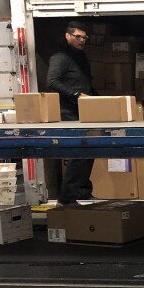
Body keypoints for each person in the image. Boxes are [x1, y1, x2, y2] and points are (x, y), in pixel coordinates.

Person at [48, 21, 97, 206]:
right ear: (68, 36)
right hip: (70, 111)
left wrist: (97, 99)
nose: (81, 40)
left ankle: (82, 192)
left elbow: (85, 82)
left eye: (84, 37)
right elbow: (52, 81)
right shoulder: (60, 57)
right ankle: (67, 197)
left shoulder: (79, 56)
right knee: (80, 153)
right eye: (78, 36)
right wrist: (76, 95)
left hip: (84, 110)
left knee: (90, 151)